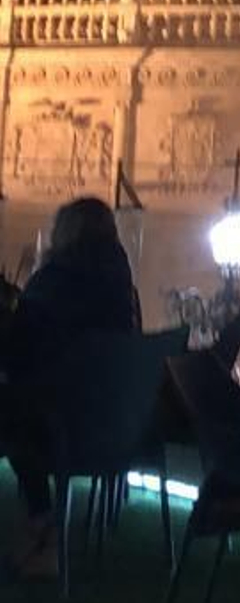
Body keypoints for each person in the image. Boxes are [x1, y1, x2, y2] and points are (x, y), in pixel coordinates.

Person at [1, 196, 139, 581]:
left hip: (62, 427)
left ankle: (41, 522)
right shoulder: (118, 282)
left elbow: (19, 348)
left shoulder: (55, 281)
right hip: (113, 428)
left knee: (11, 412)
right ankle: (41, 528)